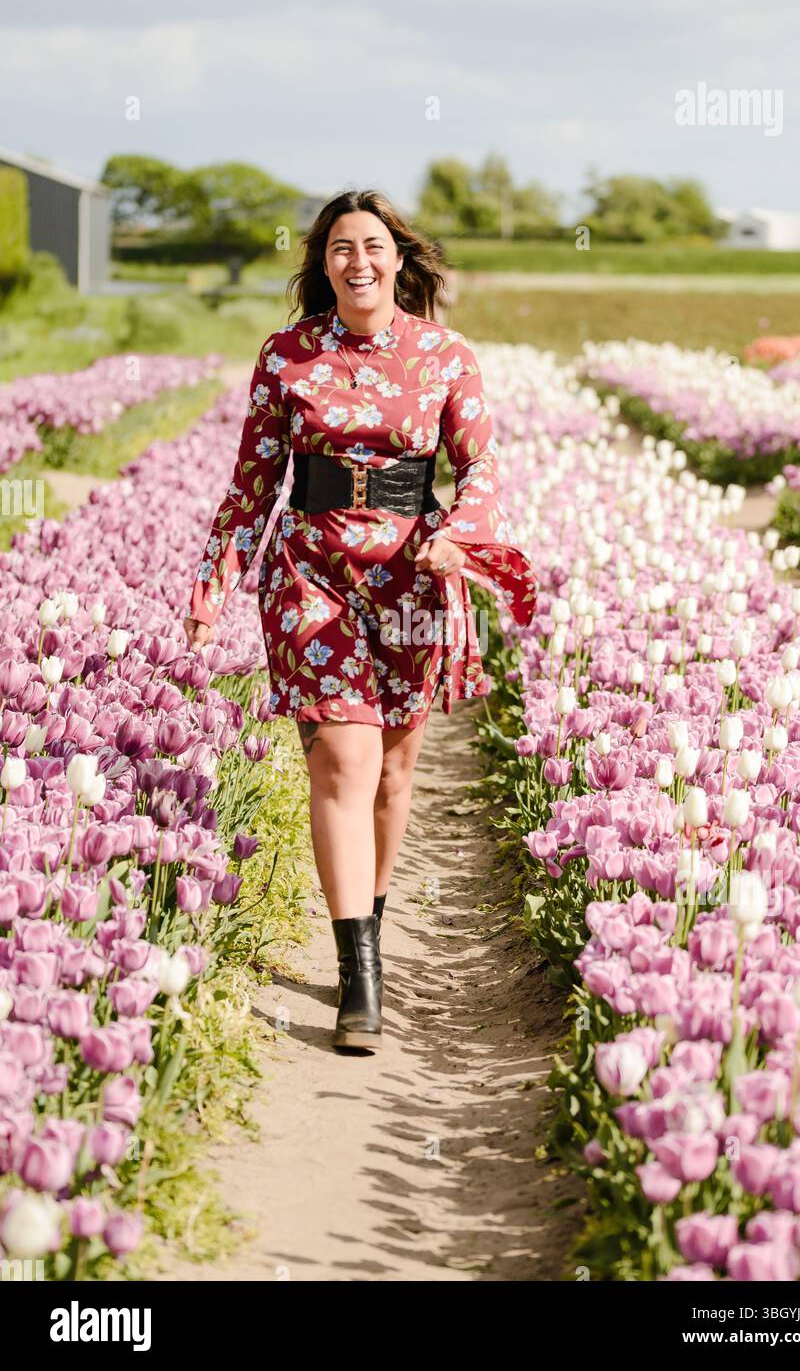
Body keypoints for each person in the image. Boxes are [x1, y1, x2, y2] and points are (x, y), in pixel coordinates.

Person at [182, 188, 538, 1053]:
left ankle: (366, 922)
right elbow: (253, 480)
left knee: (392, 775)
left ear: (399, 259)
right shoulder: (287, 357)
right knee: (344, 760)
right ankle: (358, 977)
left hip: (415, 579)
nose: (358, 262)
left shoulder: (445, 356)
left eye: (372, 246)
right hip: (313, 575)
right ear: (323, 262)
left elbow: (481, 464)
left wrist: (459, 535)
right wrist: (216, 575)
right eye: (341, 248)